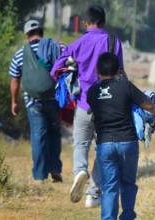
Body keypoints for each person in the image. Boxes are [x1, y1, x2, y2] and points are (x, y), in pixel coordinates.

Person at [51, 5, 123, 207]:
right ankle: (93, 193)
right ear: (104, 21)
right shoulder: (113, 41)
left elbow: (56, 69)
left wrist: (71, 70)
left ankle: (79, 171)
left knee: (81, 144)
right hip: (108, 106)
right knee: (103, 149)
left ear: (85, 22)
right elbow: (121, 72)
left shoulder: (78, 43)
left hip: (84, 103)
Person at [87, 53, 155, 220]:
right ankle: (127, 216)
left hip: (104, 144)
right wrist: (154, 113)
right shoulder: (125, 86)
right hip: (127, 142)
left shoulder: (92, 91)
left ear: (97, 70)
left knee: (109, 187)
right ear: (118, 69)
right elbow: (148, 104)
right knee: (128, 184)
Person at [9, 20, 63, 183]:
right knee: (54, 133)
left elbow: (15, 80)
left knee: (38, 136)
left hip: (33, 101)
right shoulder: (56, 47)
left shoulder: (20, 53)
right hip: (54, 99)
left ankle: (39, 176)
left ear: (27, 35)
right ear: (41, 32)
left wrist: (14, 102)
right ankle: (55, 169)